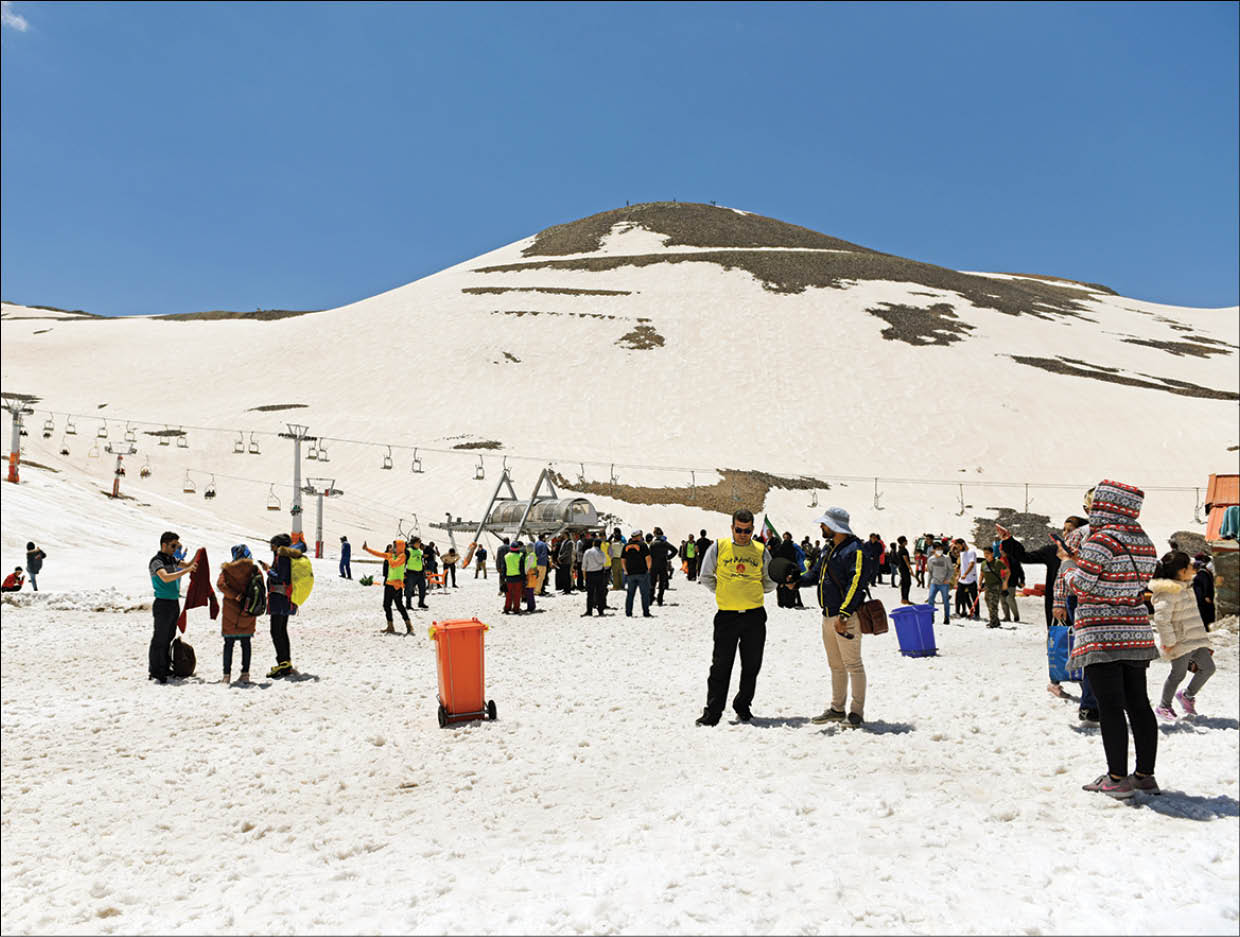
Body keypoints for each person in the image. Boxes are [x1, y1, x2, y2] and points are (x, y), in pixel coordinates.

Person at [1062, 480, 1159, 799]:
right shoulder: (1143, 539)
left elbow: (1083, 586)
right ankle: (1145, 775)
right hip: (1135, 630)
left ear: (1105, 505)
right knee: (1139, 704)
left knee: (1111, 706)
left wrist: (1068, 571)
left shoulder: (1101, 540)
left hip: (1101, 634)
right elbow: (1137, 583)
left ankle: (1116, 779)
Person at [788, 507, 870, 728]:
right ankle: (836, 708)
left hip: (845, 618)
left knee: (853, 665)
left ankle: (856, 712)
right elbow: (816, 574)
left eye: (824, 524)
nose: (821, 527)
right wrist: (797, 581)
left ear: (835, 526)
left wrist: (844, 614)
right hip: (827, 617)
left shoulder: (855, 550)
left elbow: (857, 583)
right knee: (836, 665)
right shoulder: (828, 549)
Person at [695, 509, 775, 725]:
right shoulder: (719, 547)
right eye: (739, 530)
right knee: (721, 666)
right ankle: (712, 712)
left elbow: (770, 580)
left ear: (752, 529)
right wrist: (724, 593)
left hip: (754, 617)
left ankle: (742, 705)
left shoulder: (760, 550)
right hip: (727, 617)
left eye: (747, 530)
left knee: (751, 665)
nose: (743, 534)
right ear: (732, 528)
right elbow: (706, 576)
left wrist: (753, 593)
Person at [1150, 550, 1216, 720]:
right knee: (1178, 674)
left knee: (1208, 668)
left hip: (1194, 639)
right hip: (1179, 641)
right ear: (1180, 570)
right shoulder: (1167, 592)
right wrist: (1169, 642)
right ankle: (1164, 706)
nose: (1192, 568)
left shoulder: (1186, 586)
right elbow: (1162, 620)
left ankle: (1187, 696)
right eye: (1189, 565)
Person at [148, 531, 196, 683]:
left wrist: (199, 554)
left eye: (177, 545)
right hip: (162, 603)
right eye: (173, 545)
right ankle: (156, 671)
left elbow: (188, 564)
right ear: (164, 545)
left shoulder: (172, 559)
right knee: (159, 638)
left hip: (173, 602)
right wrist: (186, 571)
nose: (176, 549)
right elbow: (166, 577)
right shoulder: (157, 561)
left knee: (168, 636)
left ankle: (165, 666)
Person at [216, 544, 258, 683]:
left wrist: (234, 595)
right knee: (246, 644)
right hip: (248, 610)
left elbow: (220, 585)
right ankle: (245, 674)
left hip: (230, 612)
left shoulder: (227, 570)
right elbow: (259, 586)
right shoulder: (254, 570)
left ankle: (226, 675)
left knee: (229, 644)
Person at [262, 533, 297, 677]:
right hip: (285, 599)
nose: (272, 547)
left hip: (279, 599)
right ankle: (286, 662)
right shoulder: (288, 556)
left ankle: (283, 663)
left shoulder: (282, 557)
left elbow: (280, 577)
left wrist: (268, 570)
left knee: (276, 631)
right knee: (282, 630)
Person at [362, 539, 412, 634]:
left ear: (400, 547)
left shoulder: (402, 556)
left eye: (395, 546)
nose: (393, 548)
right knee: (386, 605)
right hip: (389, 584)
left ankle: (408, 625)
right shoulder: (391, 556)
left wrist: (389, 557)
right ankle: (390, 626)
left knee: (399, 606)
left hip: (397, 585)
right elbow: (378, 554)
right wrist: (367, 549)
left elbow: (394, 564)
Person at [622, 530, 653, 617]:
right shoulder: (643, 545)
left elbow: (623, 560)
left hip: (630, 573)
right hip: (642, 572)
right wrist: (648, 568)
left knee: (630, 594)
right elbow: (648, 558)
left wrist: (625, 570)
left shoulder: (626, 546)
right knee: (644, 594)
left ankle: (628, 612)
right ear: (638, 536)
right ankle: (646, 612)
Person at [978, 545, 1008, 628]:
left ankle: (993, 622)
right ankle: (996, 620)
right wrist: (980, 584)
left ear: (992, 553)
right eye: (984, 553)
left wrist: (1005, 582)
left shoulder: (997, 562)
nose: (986, 555)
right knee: (988, 602)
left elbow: (1007, 571)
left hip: (996, 585)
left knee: (993, 604)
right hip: (987, 586)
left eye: (988, 553)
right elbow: (981, 574)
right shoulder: (983, 563)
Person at [649, 531, 678, 607]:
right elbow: (675, 550)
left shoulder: (652, 544)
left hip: (654, 565)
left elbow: (648, 554)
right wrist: (668, 557)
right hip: (663, 564)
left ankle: (651, 599)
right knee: (662, 583)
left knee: (653, 583)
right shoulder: (665, 543)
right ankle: (660, 599)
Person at [926, 541, 953, 624]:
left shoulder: (947, 558)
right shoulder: (930, 559)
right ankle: (931, 617)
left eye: (941, 549)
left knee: (945, 601)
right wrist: (929, 582)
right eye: (938, 549)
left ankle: (946, 618)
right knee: (931, 599)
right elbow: (930, 571)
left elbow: (951, 570)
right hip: (934, 582)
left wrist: (947, 579)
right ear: (934, 550)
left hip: (944, 583)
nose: (940, 550)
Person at [581, 538, 608, 616]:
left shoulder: (588, 552)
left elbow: (584, 566)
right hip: (599, 574)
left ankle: (589, 611)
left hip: (590, 574)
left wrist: (584, 577)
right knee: (600, 593)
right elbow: (604, 562)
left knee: (590, 594)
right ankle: (600, 611)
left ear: (593, 544)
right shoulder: (602, 553)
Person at [954, 539, 979, 619]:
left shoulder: (971, 552)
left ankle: (976, 614)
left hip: (971, 579)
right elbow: (962, 566)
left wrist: (965, 574)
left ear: (963, 544)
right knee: (958, 596)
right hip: (962, 580)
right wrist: (959, 575)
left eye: (959, 546)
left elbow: (971, 564)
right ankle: (957, 612)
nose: (958, 548)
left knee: (974, 597)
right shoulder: (962, 553)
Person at [502, 540, 527, 614]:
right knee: (517, 594)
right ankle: (516, 609)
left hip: (509, 578)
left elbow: (504, 568)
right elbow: (522, 568)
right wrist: (524, 578)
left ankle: (507, 608)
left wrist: (503, 578)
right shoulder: (520, 556)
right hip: (518, 578)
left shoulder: (506, 556)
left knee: (508, 594)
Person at [1191, 553, 1215, 629]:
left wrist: (1206, 595)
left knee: (1204, 613)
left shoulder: (1202, 573)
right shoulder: (1204, 572)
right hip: (1201, 597)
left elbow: (1206, 584)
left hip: (1202, 598)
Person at [404, 538, 427, 609]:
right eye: (418, 542)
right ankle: (408, 605)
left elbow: (421, 561)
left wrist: (423, 570)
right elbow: (404, 562)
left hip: (420, 573)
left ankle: (421, 603)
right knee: (409, 589)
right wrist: (403, 573)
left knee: (423, 589)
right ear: (414, 543)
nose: (420, 543)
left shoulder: (420, 551)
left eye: (420, 542)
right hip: (411, 573)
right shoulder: (408, 551)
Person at [894, 536, 912, 605]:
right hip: (904, 569)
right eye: (906, 540)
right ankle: (905, 599)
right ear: (903, 542)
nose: (907, 542)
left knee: (904, 583)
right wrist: (910, 569)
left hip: (901, 568)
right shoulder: (903, 550)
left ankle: (904, 599)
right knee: (907, 583)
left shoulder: (900, 549)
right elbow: (906, 560)